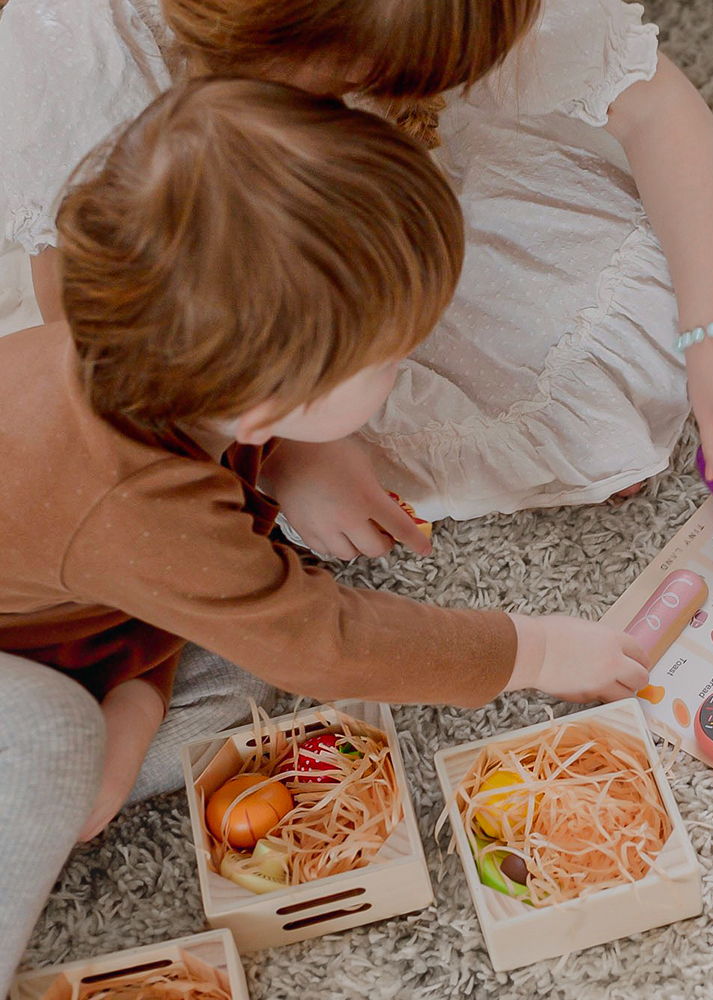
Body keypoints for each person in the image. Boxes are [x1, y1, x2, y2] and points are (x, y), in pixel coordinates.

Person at [0, 78, 649, 994]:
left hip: (82, 591)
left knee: (243, 674)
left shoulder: (148, 364)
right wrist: (530, 647)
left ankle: (129, 691)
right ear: (271, 401)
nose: (407, 365)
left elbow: (213, 573)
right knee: (74, 748)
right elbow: (328, 643)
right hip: (29, 670)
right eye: (391, 361)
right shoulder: (138, 496)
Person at [0, 1, 713, 552]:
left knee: (628, 335)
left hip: (396, 204)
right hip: (233, 292)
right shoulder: (81, 42)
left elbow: (649, 105)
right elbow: (80, 309)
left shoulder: (416, 63)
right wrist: (286, 456)